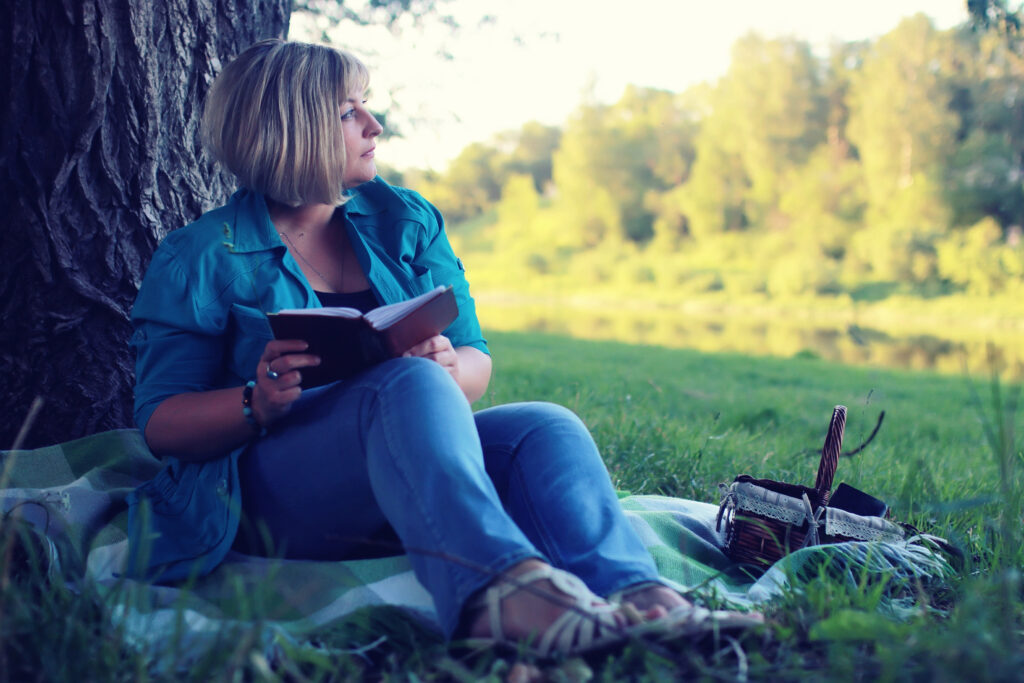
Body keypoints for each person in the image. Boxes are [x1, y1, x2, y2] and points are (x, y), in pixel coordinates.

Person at [127, 38, 755, 657]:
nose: (374, 124)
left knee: (544, 425)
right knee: (407, 385)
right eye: (348, 112)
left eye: (366, 104)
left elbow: (474, 357)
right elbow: (160, 422)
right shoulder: (201, 256)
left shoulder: (405, 218)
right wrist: (254, 402)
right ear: (291, 130)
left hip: (404, 467)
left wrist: (448, 368)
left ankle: (644, 598)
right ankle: (504, 597)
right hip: (275, 496)